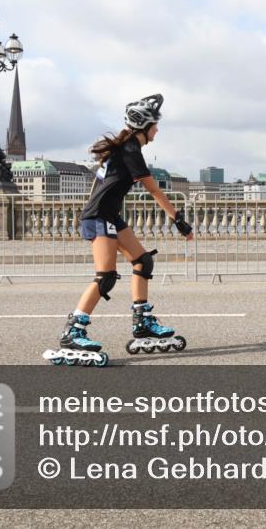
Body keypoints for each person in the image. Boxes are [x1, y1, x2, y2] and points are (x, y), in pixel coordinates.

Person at [43, 94, 193, 366]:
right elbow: (154, 190)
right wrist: (178, 219)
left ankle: (142, 322)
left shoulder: (124, 148)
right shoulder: (130, 150)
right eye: (155, 125)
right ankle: (73, 331)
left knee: (143, 261)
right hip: (99, 216)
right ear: (144, 125)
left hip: (108, 215)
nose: (157, 130)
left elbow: (98, 184)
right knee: (106, 276)